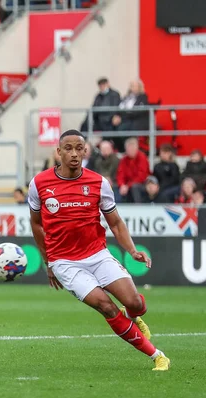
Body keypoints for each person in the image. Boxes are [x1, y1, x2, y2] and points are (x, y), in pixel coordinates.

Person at [27, 129, 170, 372]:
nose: (74, 153)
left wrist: (132, 250)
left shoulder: (99, 183)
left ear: (85, 151)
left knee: (134, 302)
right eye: (68, 148)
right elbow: (36, 223)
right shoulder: (39, 184)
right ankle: (157, 356)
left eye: (78, 148)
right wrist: (48, 261)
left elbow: (115, 222)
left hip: (97, 254)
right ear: (58, 152)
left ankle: (134, 315)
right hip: (65, 263)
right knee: (106, 306)